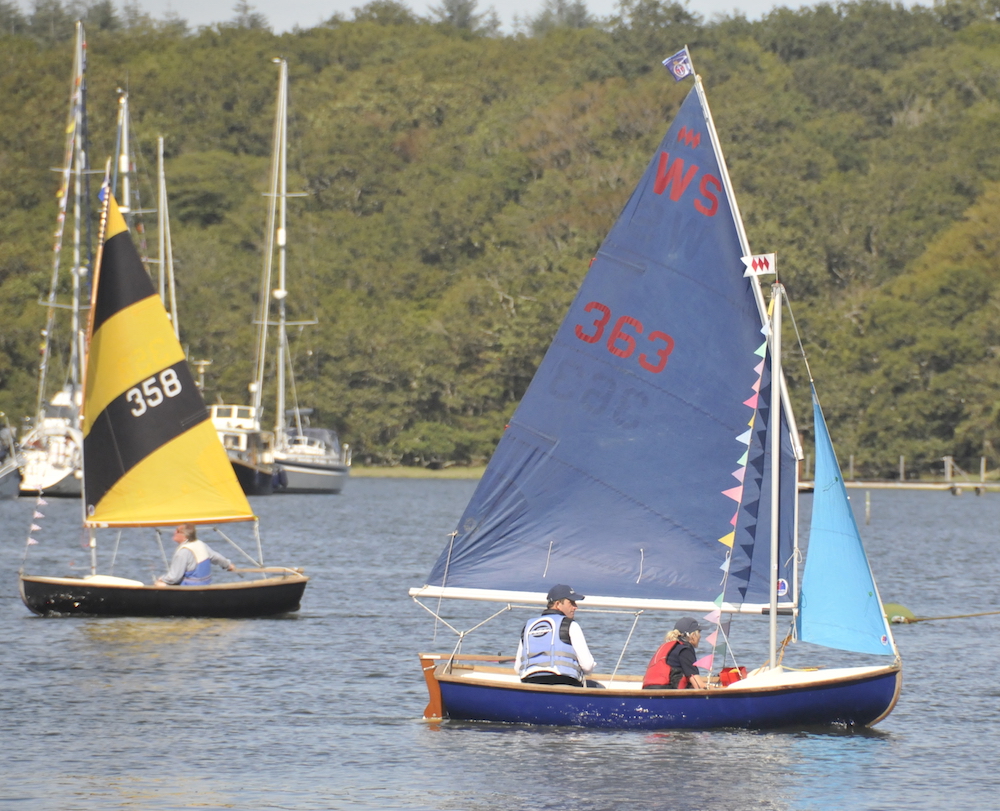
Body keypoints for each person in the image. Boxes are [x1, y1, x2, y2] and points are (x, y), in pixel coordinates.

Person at [515, 584, 596, 687]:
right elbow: (587, 666)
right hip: (564, 683)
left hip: (530, 683)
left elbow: (518, 668)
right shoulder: (571, 625)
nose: (575, 607)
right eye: (571, 602)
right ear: (558, 604)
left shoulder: (528, 626)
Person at [154, 524, 235, 587]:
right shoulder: (200, 544)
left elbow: (174, 578)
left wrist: (161, 579)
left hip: (190, 588)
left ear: (184, 535)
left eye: (177, 531)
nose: (174, 532)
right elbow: (217, 557)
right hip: (205, 585)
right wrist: (228, 565)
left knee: (159, 584)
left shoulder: (183, 552)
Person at [642, 617, 708, 689]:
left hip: (648, 690)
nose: (700, 636)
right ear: (692, 635)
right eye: (699, 632)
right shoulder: (685, 650)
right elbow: (698, 685)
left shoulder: (666, 647)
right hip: (665, 693)